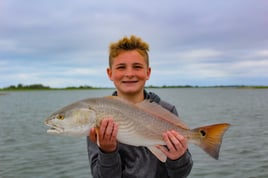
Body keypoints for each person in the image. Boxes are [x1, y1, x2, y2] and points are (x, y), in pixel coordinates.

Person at [87, 35, 193, 178]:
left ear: (148, 72)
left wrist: (178, 158)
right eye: (121, 67)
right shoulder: (97, 116)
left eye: (137, 67)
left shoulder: (167, 110)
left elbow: (181, 174)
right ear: (110, 73)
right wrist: (107, 151)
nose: (129, 74)